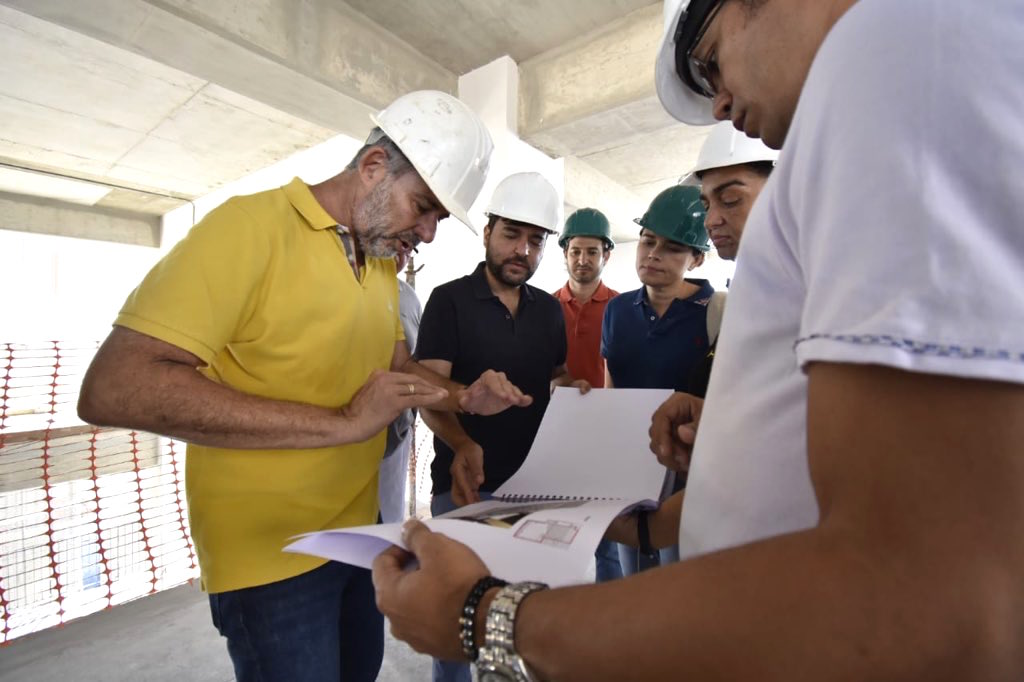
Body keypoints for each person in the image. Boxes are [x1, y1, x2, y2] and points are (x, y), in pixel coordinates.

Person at [372, 1, 1024, 679]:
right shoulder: (856, 115)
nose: (718, 105)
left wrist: (489, 615)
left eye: (712, 61)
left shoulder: (894, 47)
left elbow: (931, 594)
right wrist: (729, 443)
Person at [74, 90, 529, 682]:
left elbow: (399, 369)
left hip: (360, 539)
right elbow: (113, 386)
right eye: (422, 208)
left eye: (438, 218)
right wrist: (343, 423)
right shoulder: (246, 229)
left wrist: (461, 398)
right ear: (372, 169)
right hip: (271, 559)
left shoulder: (381, 262)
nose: (428, 234)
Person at [412, 171, 589, 682]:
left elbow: (552, 374)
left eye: (536, 241)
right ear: (488, 231)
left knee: (523, 617)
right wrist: (463, 441)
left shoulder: (549, 310)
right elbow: (429, 392)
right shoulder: (449, 301)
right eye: (512, 234)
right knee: (456, 623)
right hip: (464, 487)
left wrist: (567, 386)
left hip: (536, 488)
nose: (523, 250)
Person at [601, 185, 714, 575]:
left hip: (688, 470)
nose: (653, 254)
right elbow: (611, 382)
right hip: (629, 462)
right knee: (629, 565)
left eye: (672, 247)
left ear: (696, 259)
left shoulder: (717, 314)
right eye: (648, 241)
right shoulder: (617, 309)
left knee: (678, 571)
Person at [551, 208, 622, 582]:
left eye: (592, 252)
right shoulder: (544, 307)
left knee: (607, 539)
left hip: (605, 440)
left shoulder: (624, 308)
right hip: (555, 438)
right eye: (576, 251)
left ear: (606, 255)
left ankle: (613, 621)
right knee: (557, 533)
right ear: (564, 253)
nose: (583, 260)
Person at [378, 251, 422, 523]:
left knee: (387, 528)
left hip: (396, 432)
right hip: (343, 433)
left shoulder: (408, 298)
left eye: (409, 248)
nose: (401, 254)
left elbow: (413, 363)